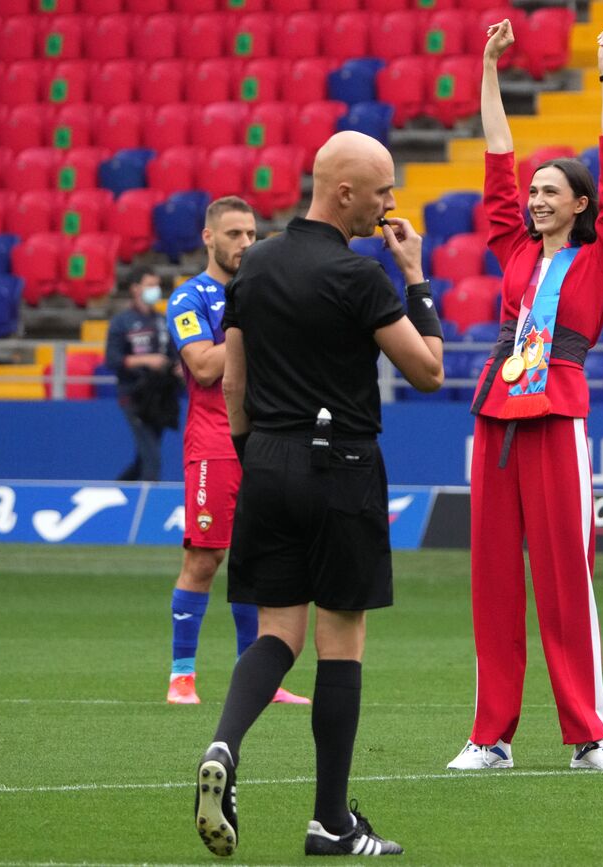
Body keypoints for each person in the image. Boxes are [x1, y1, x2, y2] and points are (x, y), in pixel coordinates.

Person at [193, 130, 444, 858]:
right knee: (341, 640)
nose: (389, 202)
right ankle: (330, 821)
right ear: (343, 193)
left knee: (277, 631)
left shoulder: (253, 266)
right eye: (381, 189)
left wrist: (260, 454)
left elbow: (232, 384)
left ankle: (223, 744)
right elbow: (428, 370)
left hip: (265, 462)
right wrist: (415, 278)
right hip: (343, 465)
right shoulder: (359, 276)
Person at [447, 19, 603, 773]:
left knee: (565, 575)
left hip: (558, 413)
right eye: (533, 192)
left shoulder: (602, 257)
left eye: (551, 191)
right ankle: (490, 736)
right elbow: (496, 158)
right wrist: (489, 68)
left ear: (581, 204)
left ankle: (588, 735)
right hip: (496, 416)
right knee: (492, 581)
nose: (534, 199)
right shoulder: (515, 249)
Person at [163, 195, 308, 707]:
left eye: (250, 234)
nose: (245, 243)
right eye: (234, 234)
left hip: (269, 439)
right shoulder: (189, 298)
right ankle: (182, 675)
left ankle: (260, 681)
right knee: (206, 557)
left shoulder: (265, 292)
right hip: (215, 443)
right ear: (209, 237)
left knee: (262, 559)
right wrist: (254, 326)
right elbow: (203, 366)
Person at [105, 266, 177, 482]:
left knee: (145, 456)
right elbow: (113, 360)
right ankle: (149, 506)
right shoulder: (122, 322)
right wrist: (147, 360)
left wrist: (177, 367)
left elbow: (173, 354)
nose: (155, 290)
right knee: (152, 458)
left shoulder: (162, 321)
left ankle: (117, 490)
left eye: (157, 285)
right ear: (135, 289)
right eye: (150, 285)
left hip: (160, 396)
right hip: (134, 395)